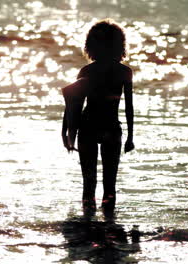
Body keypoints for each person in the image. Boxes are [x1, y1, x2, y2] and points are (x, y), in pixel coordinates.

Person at [61, 19, 135, 217]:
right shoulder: (124, 72)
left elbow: (72, 104)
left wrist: (68, 133)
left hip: (88, 127)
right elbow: (129, 107)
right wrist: (130, 137)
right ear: (120, 45)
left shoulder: (87, 71)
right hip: (111, 127)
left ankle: (88, 224)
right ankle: (110, 225)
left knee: (89, 181)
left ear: (91, 45)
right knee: (110, 183)